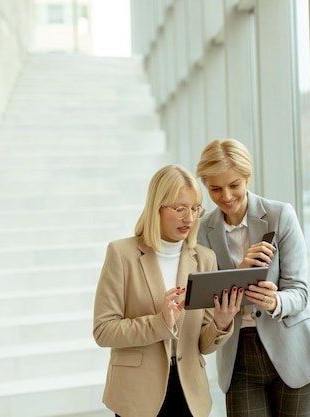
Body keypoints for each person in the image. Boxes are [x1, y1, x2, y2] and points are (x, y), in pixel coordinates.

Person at [195, 138, 310, 417]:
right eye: (215, 188)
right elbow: (204, 296)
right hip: (239, 358)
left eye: (234, 185)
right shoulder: (202, 231)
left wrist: (275, 301)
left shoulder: (279, 215)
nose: (225, 196)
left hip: (294, 350)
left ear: (248, 178)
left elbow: (299, 291)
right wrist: (240, 274)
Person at [93, 164, 243, 417]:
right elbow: (103, 331)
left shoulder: (205, 259)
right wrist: (160, 322)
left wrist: (221, 324)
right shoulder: (122, 254)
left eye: (195, 208)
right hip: (137, 395)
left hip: (189, 393)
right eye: (180, 209)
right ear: (157, 208)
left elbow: (202, 346)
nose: (190, 218)